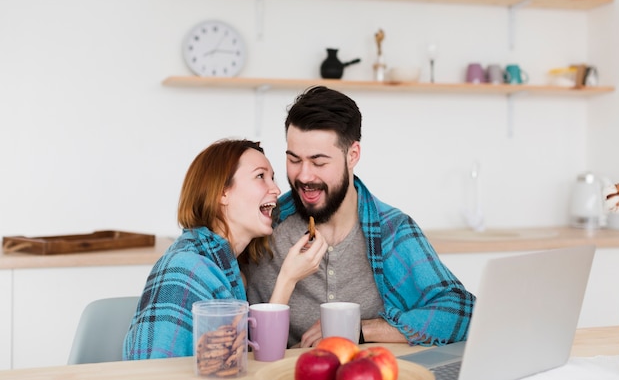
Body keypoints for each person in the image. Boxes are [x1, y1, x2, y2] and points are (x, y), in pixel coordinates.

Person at [244, 86, 476, 348]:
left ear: (352, 155)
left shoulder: (392, 230)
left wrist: (358, 329)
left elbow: (463, 313)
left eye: (319, 162)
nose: (304, 176)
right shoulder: (263, 226)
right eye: (294, 160)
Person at [123, 139, 327, 360]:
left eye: (272, 178)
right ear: (222, 193)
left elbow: (239, 361)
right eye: (260, 176)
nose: (276, 189)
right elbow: (155, 371)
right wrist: (288, 278)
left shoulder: (234, 271)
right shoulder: (186, 269)